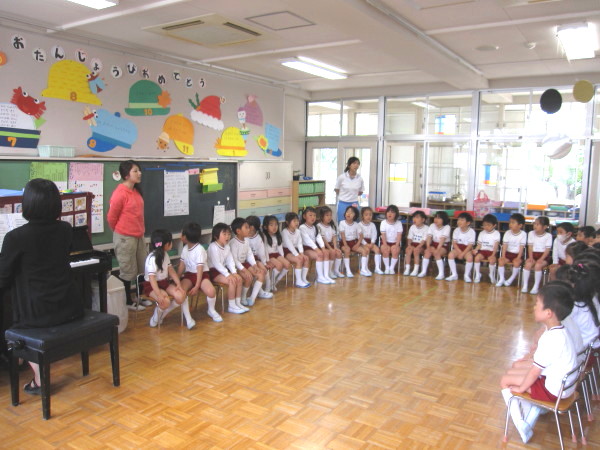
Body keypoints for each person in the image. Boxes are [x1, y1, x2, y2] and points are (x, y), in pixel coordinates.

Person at [0, 178, 83, 395]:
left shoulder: (15, 237)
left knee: (9, 310)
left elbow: (3, 278)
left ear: (27, 204)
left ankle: (35, 373)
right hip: (68, 305)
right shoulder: (65, 229)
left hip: (37, 313)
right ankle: (21, 355)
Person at [500, 281, 577, 444]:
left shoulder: (550, 338)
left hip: (554, 391)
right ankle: (532, 411)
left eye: (537, 304)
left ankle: (523, 424)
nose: (534, 307)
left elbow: (535, 371)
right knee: (514, 373)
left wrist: (521, 388)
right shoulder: (560, 331)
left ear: (548, 313)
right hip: (564, 386)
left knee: (505, 381)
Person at [107, 160, 148, 311]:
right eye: (135, 171)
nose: (139, 173)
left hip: (139, 236)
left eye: (139, 170)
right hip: (125, 237)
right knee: (127, 271)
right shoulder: (120, 193)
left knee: (141, 268)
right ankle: (128, 301)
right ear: (126, 175)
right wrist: (121, 232)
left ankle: (139, 296)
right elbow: (111, 218)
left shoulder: (136, 191)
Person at [177, 222, 222, 323]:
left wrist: (197, 286)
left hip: (201, 275)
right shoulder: (185, 248)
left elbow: (200, 269)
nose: (180, 236)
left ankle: (211, 310)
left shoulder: (199, 249)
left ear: (185, 237)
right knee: (181, 292)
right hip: (189, 275)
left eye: (182, 234)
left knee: (211, 291)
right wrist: (177, 279)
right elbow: (181, 266)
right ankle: (188, 317)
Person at [143, 229, 188, 328]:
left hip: (163, 283)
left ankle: (163, 314)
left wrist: (178, 283)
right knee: (165, 301)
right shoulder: (152, 258)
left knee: (181, 296)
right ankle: (156, 317)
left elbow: (171, 270)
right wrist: (158, 294)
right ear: (167, 244)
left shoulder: (165, 254)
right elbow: (152, 278)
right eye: (170, 242)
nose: (171, 244)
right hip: (151, 285)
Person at [229, 217, 272, 306]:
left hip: (244, 264)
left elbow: (249, 255)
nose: (249, 229)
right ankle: (243, 298)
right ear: (238, 231)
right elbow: (234, 260)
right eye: (246, 227)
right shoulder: (233, 243)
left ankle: (252, 298)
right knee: (248, 277)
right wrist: (244, 270)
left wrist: (255, 265)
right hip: (235, 266)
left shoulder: (246, 241)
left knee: (260, 273)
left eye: (248, 227)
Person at [207, 223, 245, 314]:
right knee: (232, 281)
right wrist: (228, 275)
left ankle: (237, 303)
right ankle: (231, 306)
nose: (227, 236)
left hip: (223, 271)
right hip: (214, 271)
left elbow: (230, 260)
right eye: (224, 234)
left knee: (239, 279)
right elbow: (217, 264)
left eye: (228, 234)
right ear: (216, 236)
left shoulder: (227, 246)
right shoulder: (213, 247)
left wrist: (234, 272)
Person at [300, 207, 335, 284]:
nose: (313, 217)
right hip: (306, 249)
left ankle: (326, 275)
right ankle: (320, 277)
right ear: (304, 216)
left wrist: (323, 248)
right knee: (319, 255)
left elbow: (319, 237)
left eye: (314, 215)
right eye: (310, 215)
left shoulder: (315, 227)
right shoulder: (302, 227)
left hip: (314, 248)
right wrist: (317, 250)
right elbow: (308, 241)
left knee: (326, 253)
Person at [521, 216, 552, 295]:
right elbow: (530, 247)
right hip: (533, 254)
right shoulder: (531, 233)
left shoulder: (548, 236)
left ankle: (536, 286)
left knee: (538, 265)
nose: (535, 226)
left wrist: (541, 259)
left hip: (543, 256)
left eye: (537, 224)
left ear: (545, 227)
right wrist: (531, 257)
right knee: (528, 264)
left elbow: (547, 250)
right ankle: (525, 285)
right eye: (534, 224)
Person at [496, 213, 527, 287]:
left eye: (513, 223)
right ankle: (502, 279)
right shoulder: (507, 233)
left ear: (520, 225)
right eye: (510, 222)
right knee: (501, 261)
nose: (510, 224)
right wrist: (503, 256)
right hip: (508, 254)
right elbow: (504, 245)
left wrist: (518, 257)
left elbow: (522, 247)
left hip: (517, 254)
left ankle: (511, 279)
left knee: (516, 263)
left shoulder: (523, 234)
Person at [281, 212, 311, 288]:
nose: (297, 223)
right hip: (286, 251)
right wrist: (297, 255)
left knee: (306, 258)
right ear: (287, 222)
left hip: (295, 250)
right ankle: (298, 281)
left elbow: (299, 243)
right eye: (294, 221)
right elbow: (289, 245)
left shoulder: (298, 231)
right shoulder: (284, 232)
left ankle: (303, 278)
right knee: (299, 260)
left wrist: (301, 253)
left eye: (297, 220)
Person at [418, 211, 451, 279]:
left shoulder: (447, 227)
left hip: (443, 245)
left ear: (444, 219)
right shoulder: (432, 225)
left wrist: (437, 249)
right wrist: (428, 247)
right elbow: (429, 237)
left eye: (439, 218)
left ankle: (441, 273)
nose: (436, 219)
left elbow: (443, 239)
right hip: (433, 244)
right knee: (427, 252)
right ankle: (423, 271)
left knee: (437, 253)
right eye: (435, 217)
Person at [262, 215, 290, 291]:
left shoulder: (277, 235)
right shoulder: (264, 236)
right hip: (268, 256)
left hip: (276, 254)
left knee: (287, 264)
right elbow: (264, 250)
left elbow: (280, 248)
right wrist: (267, 260)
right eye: (271, 225)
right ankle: (269, 284)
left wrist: (282, 257)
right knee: (279, 265)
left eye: (276, 225)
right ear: (265, 227)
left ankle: (274, 283)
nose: (274, 227)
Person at [246, 215, 273, 294]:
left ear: (252, 227)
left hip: (255, 259)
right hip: (247, 260)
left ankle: (267, 287)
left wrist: (265, 262)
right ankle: (260, 291)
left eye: (247, 226)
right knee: (260, 270)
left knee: (264, 269)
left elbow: (262, 252)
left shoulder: (259, 237)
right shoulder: (245, 237)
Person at [445, 212, 475, 282]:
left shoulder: (472, 232)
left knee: (469, 258)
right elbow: (454, 243)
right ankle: (454, 274)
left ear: (468, 223)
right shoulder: (456, 230)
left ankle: (466, 275)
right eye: (458, 220)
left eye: (462, 220)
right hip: (458, 248)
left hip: (467, 249)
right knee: (450, 255)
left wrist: (463, 253)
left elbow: (470, 245)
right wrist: (459, 252)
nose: (459, 222)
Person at [334, 157, 364, 225]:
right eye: (354, 163)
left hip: (354, 203)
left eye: (358, 163)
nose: (356, 165)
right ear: (349, 165)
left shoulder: (360, 178)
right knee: (342, 223)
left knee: (355, 223)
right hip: (343, 203)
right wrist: (345, 195)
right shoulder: (342, 177)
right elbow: (336, 189)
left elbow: (361, 191)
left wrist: (352, 194)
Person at [471, 214, 500, 284]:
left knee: (492, 260)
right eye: (484, 225)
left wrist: (493, 255)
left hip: (492, 251)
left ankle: (491, 274)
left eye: (488, 225)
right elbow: (479, 245)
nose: (486, 227)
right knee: (477, 258)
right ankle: (478, 274)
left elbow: (496, 245)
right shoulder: (481, 233)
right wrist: (476, 250)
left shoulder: (496, 233)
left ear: (494, 225)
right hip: (483, 251)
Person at [317, 206, 344, 279]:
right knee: (332, 252)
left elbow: (334, 237)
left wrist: (335, 247)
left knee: (338, 253)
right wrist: (330, 248)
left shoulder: (332, 225)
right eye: (327, 215)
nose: (329, 217)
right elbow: (323, 239)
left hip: (330, 245)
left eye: (330, 215)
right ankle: (329, 271)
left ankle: (335, 270)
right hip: (323, 246)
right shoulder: (319, 226)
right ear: (322, 216)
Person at [338, 205, 365, 277]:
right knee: (347, 250)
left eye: (351, 212)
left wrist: (357, 244)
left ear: (355, 215)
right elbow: (342, 235)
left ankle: (363, 269)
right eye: (347, 212)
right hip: (344, 242)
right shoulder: (342, 223)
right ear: (345, 214)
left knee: (364, 251)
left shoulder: (356, 224)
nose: (349, 214)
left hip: (354, 242)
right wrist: (345, 245)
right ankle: (348, 270)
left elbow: (361, 236)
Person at [359, 207, 384, 275]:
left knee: (377, 250)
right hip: (362, 242)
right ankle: (365, 268)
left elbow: (374, 234)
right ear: (362, 216)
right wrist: (365, 244)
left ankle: (377, 268)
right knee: (367, 250)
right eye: (366, 215)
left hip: (370, 242)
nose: (368, 216)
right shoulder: (359, 225)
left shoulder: (372, 225)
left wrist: (372, 243)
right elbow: (359, 237)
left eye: (370, 215)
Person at [380, 205, 403, 275]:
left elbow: (399, 235)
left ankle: (392, 268)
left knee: (395, 251)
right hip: (385, 242)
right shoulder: (383, 222)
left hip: (395, 242)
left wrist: (396, 245)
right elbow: (383, 235)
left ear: (396, 214)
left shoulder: (399, 223)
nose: (390, 214)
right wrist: (385, 245)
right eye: (388, 212)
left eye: (392, 212)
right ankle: (387, 268)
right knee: (385, 250)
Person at [404, 210, 428, 276]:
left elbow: (424, 240)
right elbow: (410, 238)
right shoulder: (412, 227)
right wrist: (409, 245)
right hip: (413, 244)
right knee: (408, 250)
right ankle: (407, 268)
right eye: (414, 217)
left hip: (422, 245)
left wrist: (418, 247)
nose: (414, 219)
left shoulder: (426, 228)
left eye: (417, 217)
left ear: (423, 220)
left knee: (416, 251)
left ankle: (416, 269)